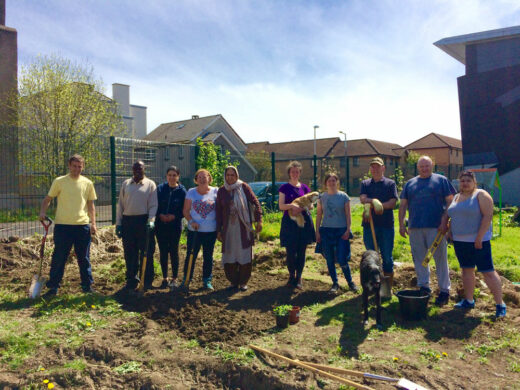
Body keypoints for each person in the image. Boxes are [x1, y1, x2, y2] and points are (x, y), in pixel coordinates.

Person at [447, 171, 506, 318]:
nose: (465, 183)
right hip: (460, 242)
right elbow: (453, 216)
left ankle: (500, 304)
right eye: (462, 181)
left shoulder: (481, 195)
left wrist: (479, 237)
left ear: (474, 182)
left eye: (468, 180)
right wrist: (450, 231)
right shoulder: (456, 197)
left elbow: (488, 216)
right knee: (466, 270)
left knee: (487, 271)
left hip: (478, 242)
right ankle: (468, 300)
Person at [399, 155, 456, 305]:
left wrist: (445, 220)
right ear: (418, 167)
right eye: (421, 166)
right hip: (415, 227)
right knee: (420, 259)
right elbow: (403, 205)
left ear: (432, 166)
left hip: (436, 228)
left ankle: (444, 290)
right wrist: (401, 224)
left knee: (440, 259)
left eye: (427, 165)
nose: (424, 168)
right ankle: (424, 287)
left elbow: (451, 201)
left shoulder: (441, 181)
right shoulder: (410, 184)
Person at [39, 154, 97, 297]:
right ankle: (53, 287)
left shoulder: (87, 183)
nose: (77, 169)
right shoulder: (59, 181)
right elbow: (47, 199)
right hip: (63, 226)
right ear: (69, 166)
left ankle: (87, 286)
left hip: (82, 226)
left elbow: (91, 205)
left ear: (82, 167)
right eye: (74, 166)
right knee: (59, 257)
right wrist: (42, 212)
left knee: (84, 257)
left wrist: (93, 223)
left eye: (79, 166)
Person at [216, 166, 262, 291]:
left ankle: (243, 282)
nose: (230, 177)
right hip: (228, 228)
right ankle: (233, 281)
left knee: (244, 253)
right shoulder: (221, 191)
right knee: (230, 254)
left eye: (233, 175)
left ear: (237, 176)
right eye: (228, 175)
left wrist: (259, 220)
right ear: (225, 176)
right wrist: (218, 230)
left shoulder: (244, 187)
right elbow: (218, 211)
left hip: (243, 227)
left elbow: (255, 202)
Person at [116, 161, 157, 291]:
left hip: (143, 221)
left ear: (144, 169)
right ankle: (131, 279)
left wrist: (151, 220)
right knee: (130, 252)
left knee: (146, 251)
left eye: (140, 168)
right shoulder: (126, 184)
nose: (138, 171)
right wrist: (119, 224)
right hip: (128, 222)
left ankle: (147, 279)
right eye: (135, 169)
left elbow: (153, 204)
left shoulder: (150, 184)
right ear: (132, 170)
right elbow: (120, 205)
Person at [360, 157, 398, 291]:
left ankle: (386, 289)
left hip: (386, 225)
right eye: (373, 167)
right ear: (370, 169)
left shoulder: (390, 183)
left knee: (387, 257)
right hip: (369, 225)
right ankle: (373, 287)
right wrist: (374, 201)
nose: (375, 169)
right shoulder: (365, 183)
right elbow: (362, 198)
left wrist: (379, 206)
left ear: (383, 168)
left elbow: (393, 202)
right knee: (371, 257)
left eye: (378, 167)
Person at [315, 172, 358, 293]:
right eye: (329, 181)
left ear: (337, 182)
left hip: (341, 231)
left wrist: (347, 230)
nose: (332, 183)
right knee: (329, 258)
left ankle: (350, 282)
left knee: (342, 258)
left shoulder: (344, 197)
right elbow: (319, 216)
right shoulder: (322, 198)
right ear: (326, 183)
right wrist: (317, 232)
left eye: (334, 180)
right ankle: (335, 283)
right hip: (326, 231)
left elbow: (348, 215)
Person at [278, 161, 316, 290]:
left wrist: (303, 207)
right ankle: (291, 276)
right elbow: (281, 206)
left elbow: (311, 205)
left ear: (300, 173)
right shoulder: (284, 188)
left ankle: (299, 277)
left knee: (301, 251)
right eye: (292, 171)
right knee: (290, 252)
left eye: (297, 171)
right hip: (289, 223)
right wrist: (292, 206)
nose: (294, 174)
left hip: (303, 223)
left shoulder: (305, 188)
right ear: (289, 173)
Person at [182, 169, 218, 290]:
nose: (202, 179)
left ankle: (207, 280)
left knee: (208, 256)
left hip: (210, 231)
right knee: (191, 255)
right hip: (195, 231)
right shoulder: (191, 192)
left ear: (209, 178)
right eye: (200, 177)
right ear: (196, 180)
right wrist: (192, 221)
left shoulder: (215, 191)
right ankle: (187, 279)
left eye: (205, 177)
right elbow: (186, 211)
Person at [155, 166, 187, 289]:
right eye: (170, 175)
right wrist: (160, 215)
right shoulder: (160, 189)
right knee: (163, 251)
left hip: (175, 226)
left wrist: (174, 216)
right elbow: (155, 205)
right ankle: (164, 277)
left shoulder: (182, 191)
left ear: (178, 177)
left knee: (173, 251)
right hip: (161, 225)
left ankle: (174, 277)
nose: (172, 177)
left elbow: (184, 210)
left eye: (174, 175)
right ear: (166, 176)